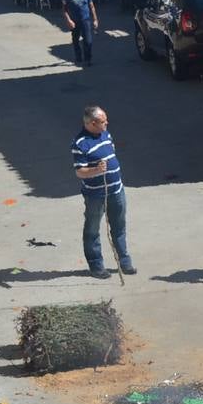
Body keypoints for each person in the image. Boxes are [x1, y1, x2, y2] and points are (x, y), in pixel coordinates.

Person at [72, 105, 136, 279]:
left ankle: (124, 260)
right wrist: (96, 171)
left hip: (116, 190)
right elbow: (79, 171)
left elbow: (111, 153)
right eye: (103, 121)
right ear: (92, 123)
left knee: (119, 226)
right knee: (92, 230)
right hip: (95, 195)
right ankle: (96, 266)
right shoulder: (80, 144)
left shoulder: (106, 134)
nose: (107, 122)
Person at [61, 0, 97, 66]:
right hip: (74, 20)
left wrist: (95, 19)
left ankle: (88, 59)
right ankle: (78, 56)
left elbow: (91, 6)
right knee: (75, 40)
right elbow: (64, 9)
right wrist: (69, 20)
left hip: (85, 19)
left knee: (88, 41)